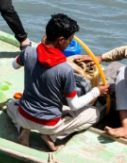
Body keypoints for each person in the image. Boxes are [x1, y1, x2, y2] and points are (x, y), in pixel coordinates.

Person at [6, 14, 108, 152]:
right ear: (61, 40)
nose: (69, 43)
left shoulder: (29, 52)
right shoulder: (65, 69)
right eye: (69, 40)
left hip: (25, 117)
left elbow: (14, 65)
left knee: (10, 104)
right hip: (49, 124)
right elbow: (74, 105)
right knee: (94, 113)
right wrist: (96, 91)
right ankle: (51, 136)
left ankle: (24, 132)